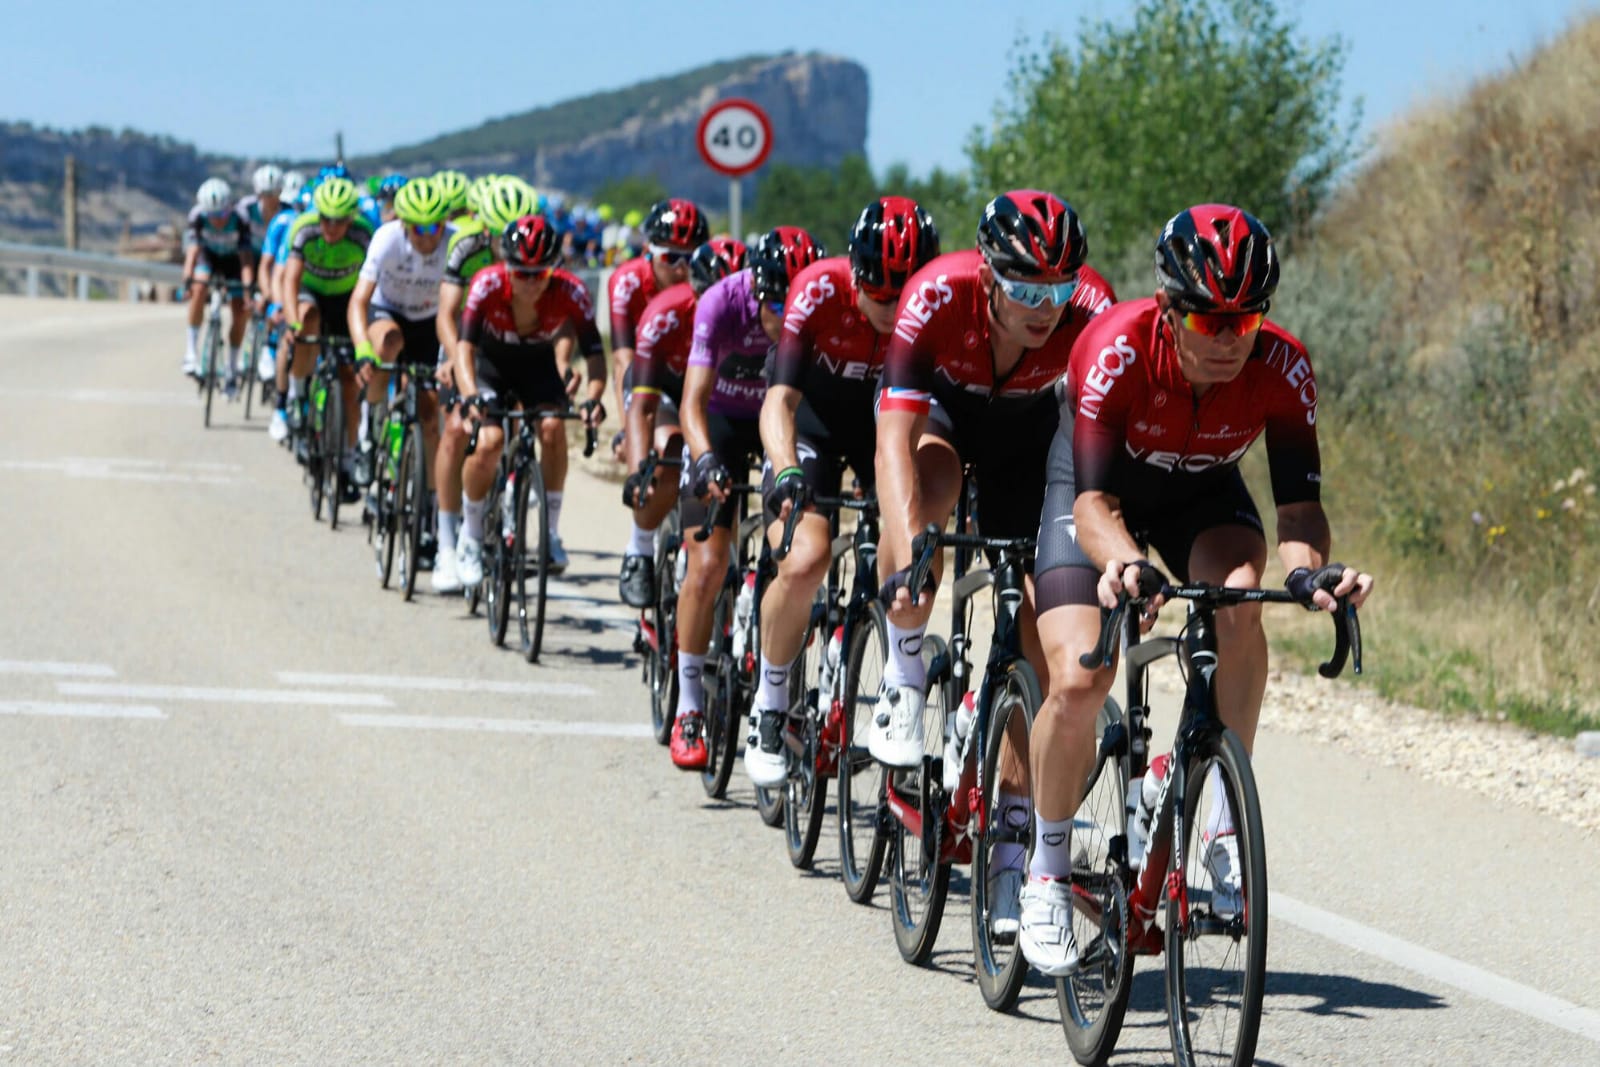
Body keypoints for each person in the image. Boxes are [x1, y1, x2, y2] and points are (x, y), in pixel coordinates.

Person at [1017, 204, 1376, 976]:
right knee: (1082, 675)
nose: (1229, 342)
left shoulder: (1283, 366)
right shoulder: (1113, 348)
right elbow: (1091, 507)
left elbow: (1298, 507)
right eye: (1211, 325)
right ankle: (1044, 872)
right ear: (1170, 311)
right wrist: (1124, 561)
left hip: (1202, 494)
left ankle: (1208, 816)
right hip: (1093, 496)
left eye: (1244, 324)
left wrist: (1310, 569)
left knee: (1242, 601)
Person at [740, 197, 940, 787]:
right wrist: (784, 470)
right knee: (805, 557)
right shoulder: (816, 291)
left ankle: (871, 659)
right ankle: (770, 704)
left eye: (901, 297)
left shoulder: (929, 307)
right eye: (877, 295)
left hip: (885, 427)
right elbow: (780, 400)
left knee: (909, 540)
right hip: (814, 427)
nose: (890, 308)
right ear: (853, 274)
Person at [668, 226, 822, 770]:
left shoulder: (813, 311)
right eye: (776, 302)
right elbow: (692, 402)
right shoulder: (721, 303)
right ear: (756, 289)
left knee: (796, 555)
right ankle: (687, 709)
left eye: (794, 301)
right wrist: (705, 456)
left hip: (781, 428)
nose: (785, 314)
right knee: (707, 565)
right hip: (720, 425)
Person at [452, 214, 606, 586]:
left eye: (540, 274)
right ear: (506, 265)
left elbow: (596, 355)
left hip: (536, 363)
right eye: (522, 273)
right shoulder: (485, 284)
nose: (531, 283)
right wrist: (470, 393)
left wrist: (593, 399)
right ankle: (470, 536)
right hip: (490, 364)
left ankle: (550, 533)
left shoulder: (571, 291)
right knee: (489, 442)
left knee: (552, 429)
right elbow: (464, 347)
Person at [617, 238, 748, 608]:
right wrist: (636, 471)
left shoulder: (755, 321)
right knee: (673, 448)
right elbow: (642, 406)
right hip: (663, 388)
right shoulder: (665, 314)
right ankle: (639, 551)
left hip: (714, 395)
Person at [430, 176, 539, 593]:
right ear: (486, 229)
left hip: (513, 343)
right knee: (457, 428)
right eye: (503, 237)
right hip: (464, 342)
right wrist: (453, 364)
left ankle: (512, 488)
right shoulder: (466, 247)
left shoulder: (537, 246)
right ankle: (445, 544)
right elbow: (447, 315)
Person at [610, 199, 709, 590]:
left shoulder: (710, 280)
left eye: (691, 257)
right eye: (670, 257)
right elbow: (622, 362)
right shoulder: (628, 282)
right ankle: (639, 549)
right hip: (653, 377)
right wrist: (627, 430)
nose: (682, 268)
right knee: (670, 451)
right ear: (649, 251)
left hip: (700, 380)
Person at [347, 178, 454, 505]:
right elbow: (358, 302)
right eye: (419, 229)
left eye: (435, 226)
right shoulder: (386, 240)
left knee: (429, 412)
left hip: (429, 321)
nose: (428, 236)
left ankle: (429, 505)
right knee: (387, 344)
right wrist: (363, 350)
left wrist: (452, 358)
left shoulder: (453, 243)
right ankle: (370, 429)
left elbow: (458, 311)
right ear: (404, 223)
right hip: (388, 311)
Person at [276, 177, 375, 493]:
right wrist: (291, 323)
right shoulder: (304, 230)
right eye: (325, 219)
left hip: (347, 301)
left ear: (351, 219)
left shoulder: (363, 236)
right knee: (308, 320)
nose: (330, 227)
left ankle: (346, 456)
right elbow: (290, 281)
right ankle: (297, 393)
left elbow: (373, 290)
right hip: (312, 293)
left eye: (338, 221)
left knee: (349, 380)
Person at [179, 178, 255, 378]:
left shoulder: (240, 217)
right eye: (211, 215)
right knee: (199, 288)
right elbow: (193, 251)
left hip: (233, 261)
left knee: (239, 311)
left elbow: (246, 258)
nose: (217, 220)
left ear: (229, 208)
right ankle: (191, 352)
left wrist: (248, 290)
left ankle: (231, 364)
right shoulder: (197, 216)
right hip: (209, 257)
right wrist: (188, 280)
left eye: (221, 214)